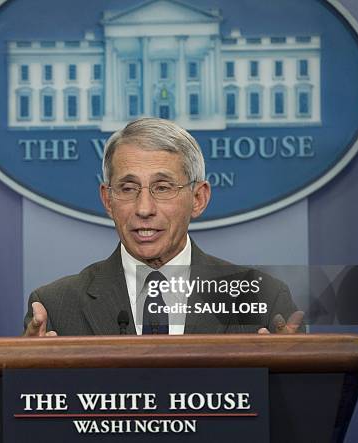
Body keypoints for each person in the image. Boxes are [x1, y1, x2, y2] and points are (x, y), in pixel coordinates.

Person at [24, 118, 304, 336]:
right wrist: (28, 370)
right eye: (128, 188)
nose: (144, 208)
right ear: (107, 199)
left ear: (198, 198)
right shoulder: (56, 307)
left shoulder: (263, 299)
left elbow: (300, 406)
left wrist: (291, 372)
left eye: (162, 187)